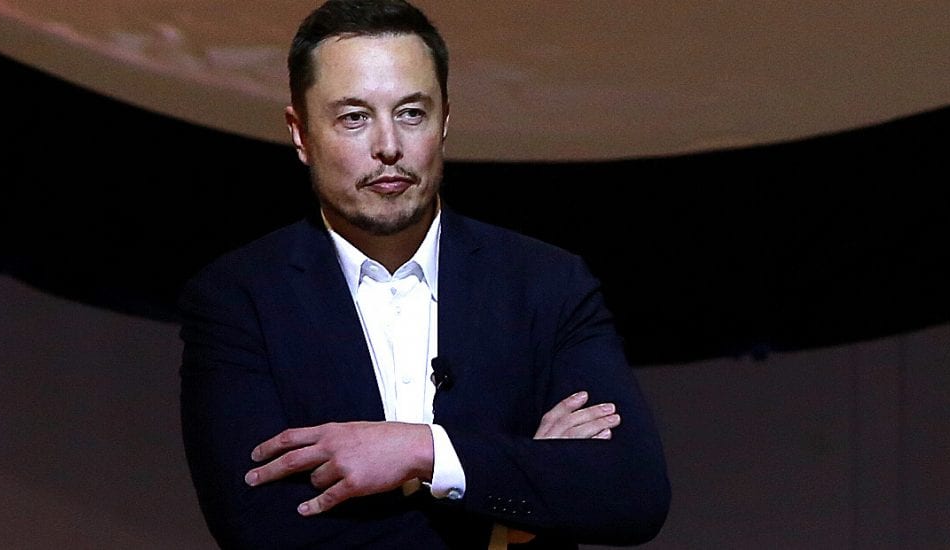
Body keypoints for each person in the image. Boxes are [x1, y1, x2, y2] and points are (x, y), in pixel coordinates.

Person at [178, 1, 670, 548]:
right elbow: (263, 532)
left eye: (411, 113)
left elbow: (633, 494)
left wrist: (425, 451)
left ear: (445, 122)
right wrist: (517, 497)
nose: (388, 146)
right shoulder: (238, 297)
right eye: (354, 117)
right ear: (301, 134)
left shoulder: (547, 283)